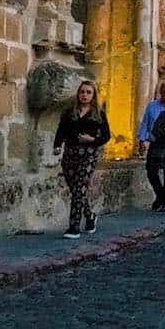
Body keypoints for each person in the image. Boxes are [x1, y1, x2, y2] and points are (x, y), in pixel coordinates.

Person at [53, 79, 110, 238]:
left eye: (88, 92)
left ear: (93, 95)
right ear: (78, 94)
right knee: (76, 190)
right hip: (70, 154)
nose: (85, 95)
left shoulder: (98, 114)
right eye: (82, 92)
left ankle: (74, 226)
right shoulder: (69, 112)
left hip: (88, 155)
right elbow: (61, 130)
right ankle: (90, 216)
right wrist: (57, 145)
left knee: (79, 189)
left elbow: (106, 136)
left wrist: (92, 140)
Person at [137, 79, 165, 211]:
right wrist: (141, 141)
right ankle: (161, 196)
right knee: (151, 171)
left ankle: (164, 201)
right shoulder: (152, 106)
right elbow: (145, 123)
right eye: (164, 92)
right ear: (160, 93)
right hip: (155, 143)